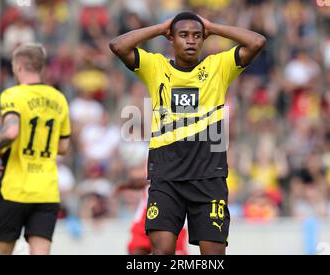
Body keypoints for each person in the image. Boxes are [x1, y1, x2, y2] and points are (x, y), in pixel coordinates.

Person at [110, 11, 265, 255]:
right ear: (171, 39)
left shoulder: (218, 67)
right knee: (162, 252)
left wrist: (213, 27)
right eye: (183, 35)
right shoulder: (155, 67)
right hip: (166, 178)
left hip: (208, 178)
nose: (191, 40)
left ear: (204, 39)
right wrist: (161, 27)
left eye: (197, 35)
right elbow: (118, 45)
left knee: (213, 256)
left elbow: (257, 42)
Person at [0, 43, 71, 255]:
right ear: (40, 67)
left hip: (15, 189)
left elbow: (11, 131)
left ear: (18, 67)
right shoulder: (59, 98)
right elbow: (63, 146)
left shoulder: (13, 95)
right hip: (46, 191)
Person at [116, 178, 188, 255]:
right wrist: (129, 184)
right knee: (136, 251)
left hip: (175, 220)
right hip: (147, 217)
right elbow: (146, 180)